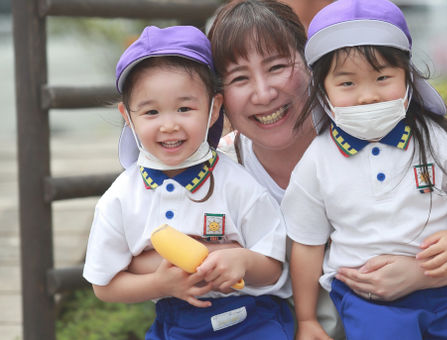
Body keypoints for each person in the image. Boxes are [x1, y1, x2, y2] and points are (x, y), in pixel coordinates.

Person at [128, 1, 447, 339]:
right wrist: (215, 257)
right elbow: (137, 251)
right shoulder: (219, 172)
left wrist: (422, 275)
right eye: (240, 78)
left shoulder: (388, 135)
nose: (263, 93)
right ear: (219, 97)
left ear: (312, 68)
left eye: (278, 67)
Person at [281, 0, 447, 339]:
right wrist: (307, 318)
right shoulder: (317, 160)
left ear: (407, 78)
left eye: (383, 77)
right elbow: (307, 244)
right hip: (369, 299)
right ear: (322, 91)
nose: (368, 96)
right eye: (347, 83)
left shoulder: (438, 139)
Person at [82, 25, 294, 339]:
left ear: (213, 109)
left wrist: (244, 260)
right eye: (151, 111)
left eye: (185, 108)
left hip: (251, 319)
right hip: (176, 323)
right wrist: (157, 284)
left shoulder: (237, 184)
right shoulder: (121, 198)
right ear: (128, 117)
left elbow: (274, 267)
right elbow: (104, 285)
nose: (169, 125)